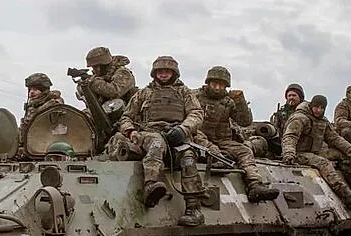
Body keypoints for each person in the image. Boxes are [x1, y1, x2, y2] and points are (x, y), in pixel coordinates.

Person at [118, 55, 205, 226]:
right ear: (154, 73)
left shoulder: (184, 92)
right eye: (160, 71)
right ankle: (150, 185)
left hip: (177, 133)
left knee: (188, 158)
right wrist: (130, 131)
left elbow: (196, 114)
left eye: (167, 71)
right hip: (151, 132)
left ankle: (193, 208)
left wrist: (183, 129)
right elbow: (126, 117)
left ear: (174, 73)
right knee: (157, 145)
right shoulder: (144, 93)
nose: (163, 74)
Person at [193, 66, 279, 202]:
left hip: (222, 140)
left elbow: (245, 122)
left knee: (244, 151)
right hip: (198, 136)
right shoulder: (195, 97)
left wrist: (240, 102)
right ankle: (219, 159)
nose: (217, 88)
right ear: (208, 83)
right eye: (214, 84)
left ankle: (254, 185)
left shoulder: (228, 102)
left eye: (221, 85)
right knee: (200, 138)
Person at [281, 95, 351, 209]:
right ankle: (347, 195)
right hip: (298, 153)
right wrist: (288, 153)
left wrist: (350, 149)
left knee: (343, 155)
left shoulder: (322, 121)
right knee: (324, 163)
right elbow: (290, 136)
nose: (318, 110)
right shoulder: (300, 118)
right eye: (316, 107)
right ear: (311, 106)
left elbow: (334, 138)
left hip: (314, 152)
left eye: (322, 108)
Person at [18, 73, 64, 158]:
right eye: (30, 90)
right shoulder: (33, 106)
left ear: (43, 90)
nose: (31, 92)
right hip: (31, 148)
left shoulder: (54, 104)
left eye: (35, 89)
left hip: (49, 148)